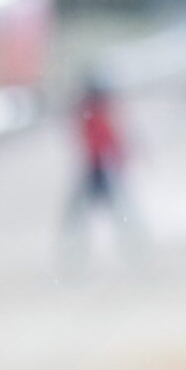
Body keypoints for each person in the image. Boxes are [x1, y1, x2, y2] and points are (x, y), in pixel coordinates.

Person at [61, 73, 142, 267]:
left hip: (99, 166)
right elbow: (108, 138)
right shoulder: (95, 112)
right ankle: (131, 248)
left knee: (85, 214)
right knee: (113, 212)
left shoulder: (89, 111)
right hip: (98, 166)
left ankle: (76, 253)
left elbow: (104, 138)